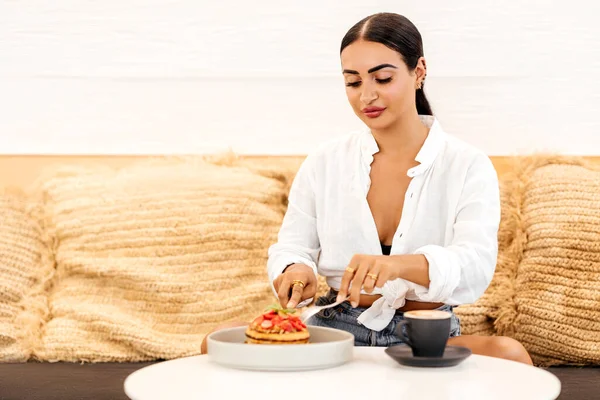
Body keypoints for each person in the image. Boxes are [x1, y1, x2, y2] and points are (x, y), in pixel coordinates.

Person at [203, 12, 532, 365]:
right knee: (214, 342)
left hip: (423, 333)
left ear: (418, 71)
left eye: (383, 78)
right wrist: (295, 270)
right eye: (353, 82)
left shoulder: (467, 164)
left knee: (510, 355)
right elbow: (293, 245)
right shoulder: (325, 161)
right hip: (337, 327)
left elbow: (475, 264)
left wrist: (399, 266)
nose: (367, 96)